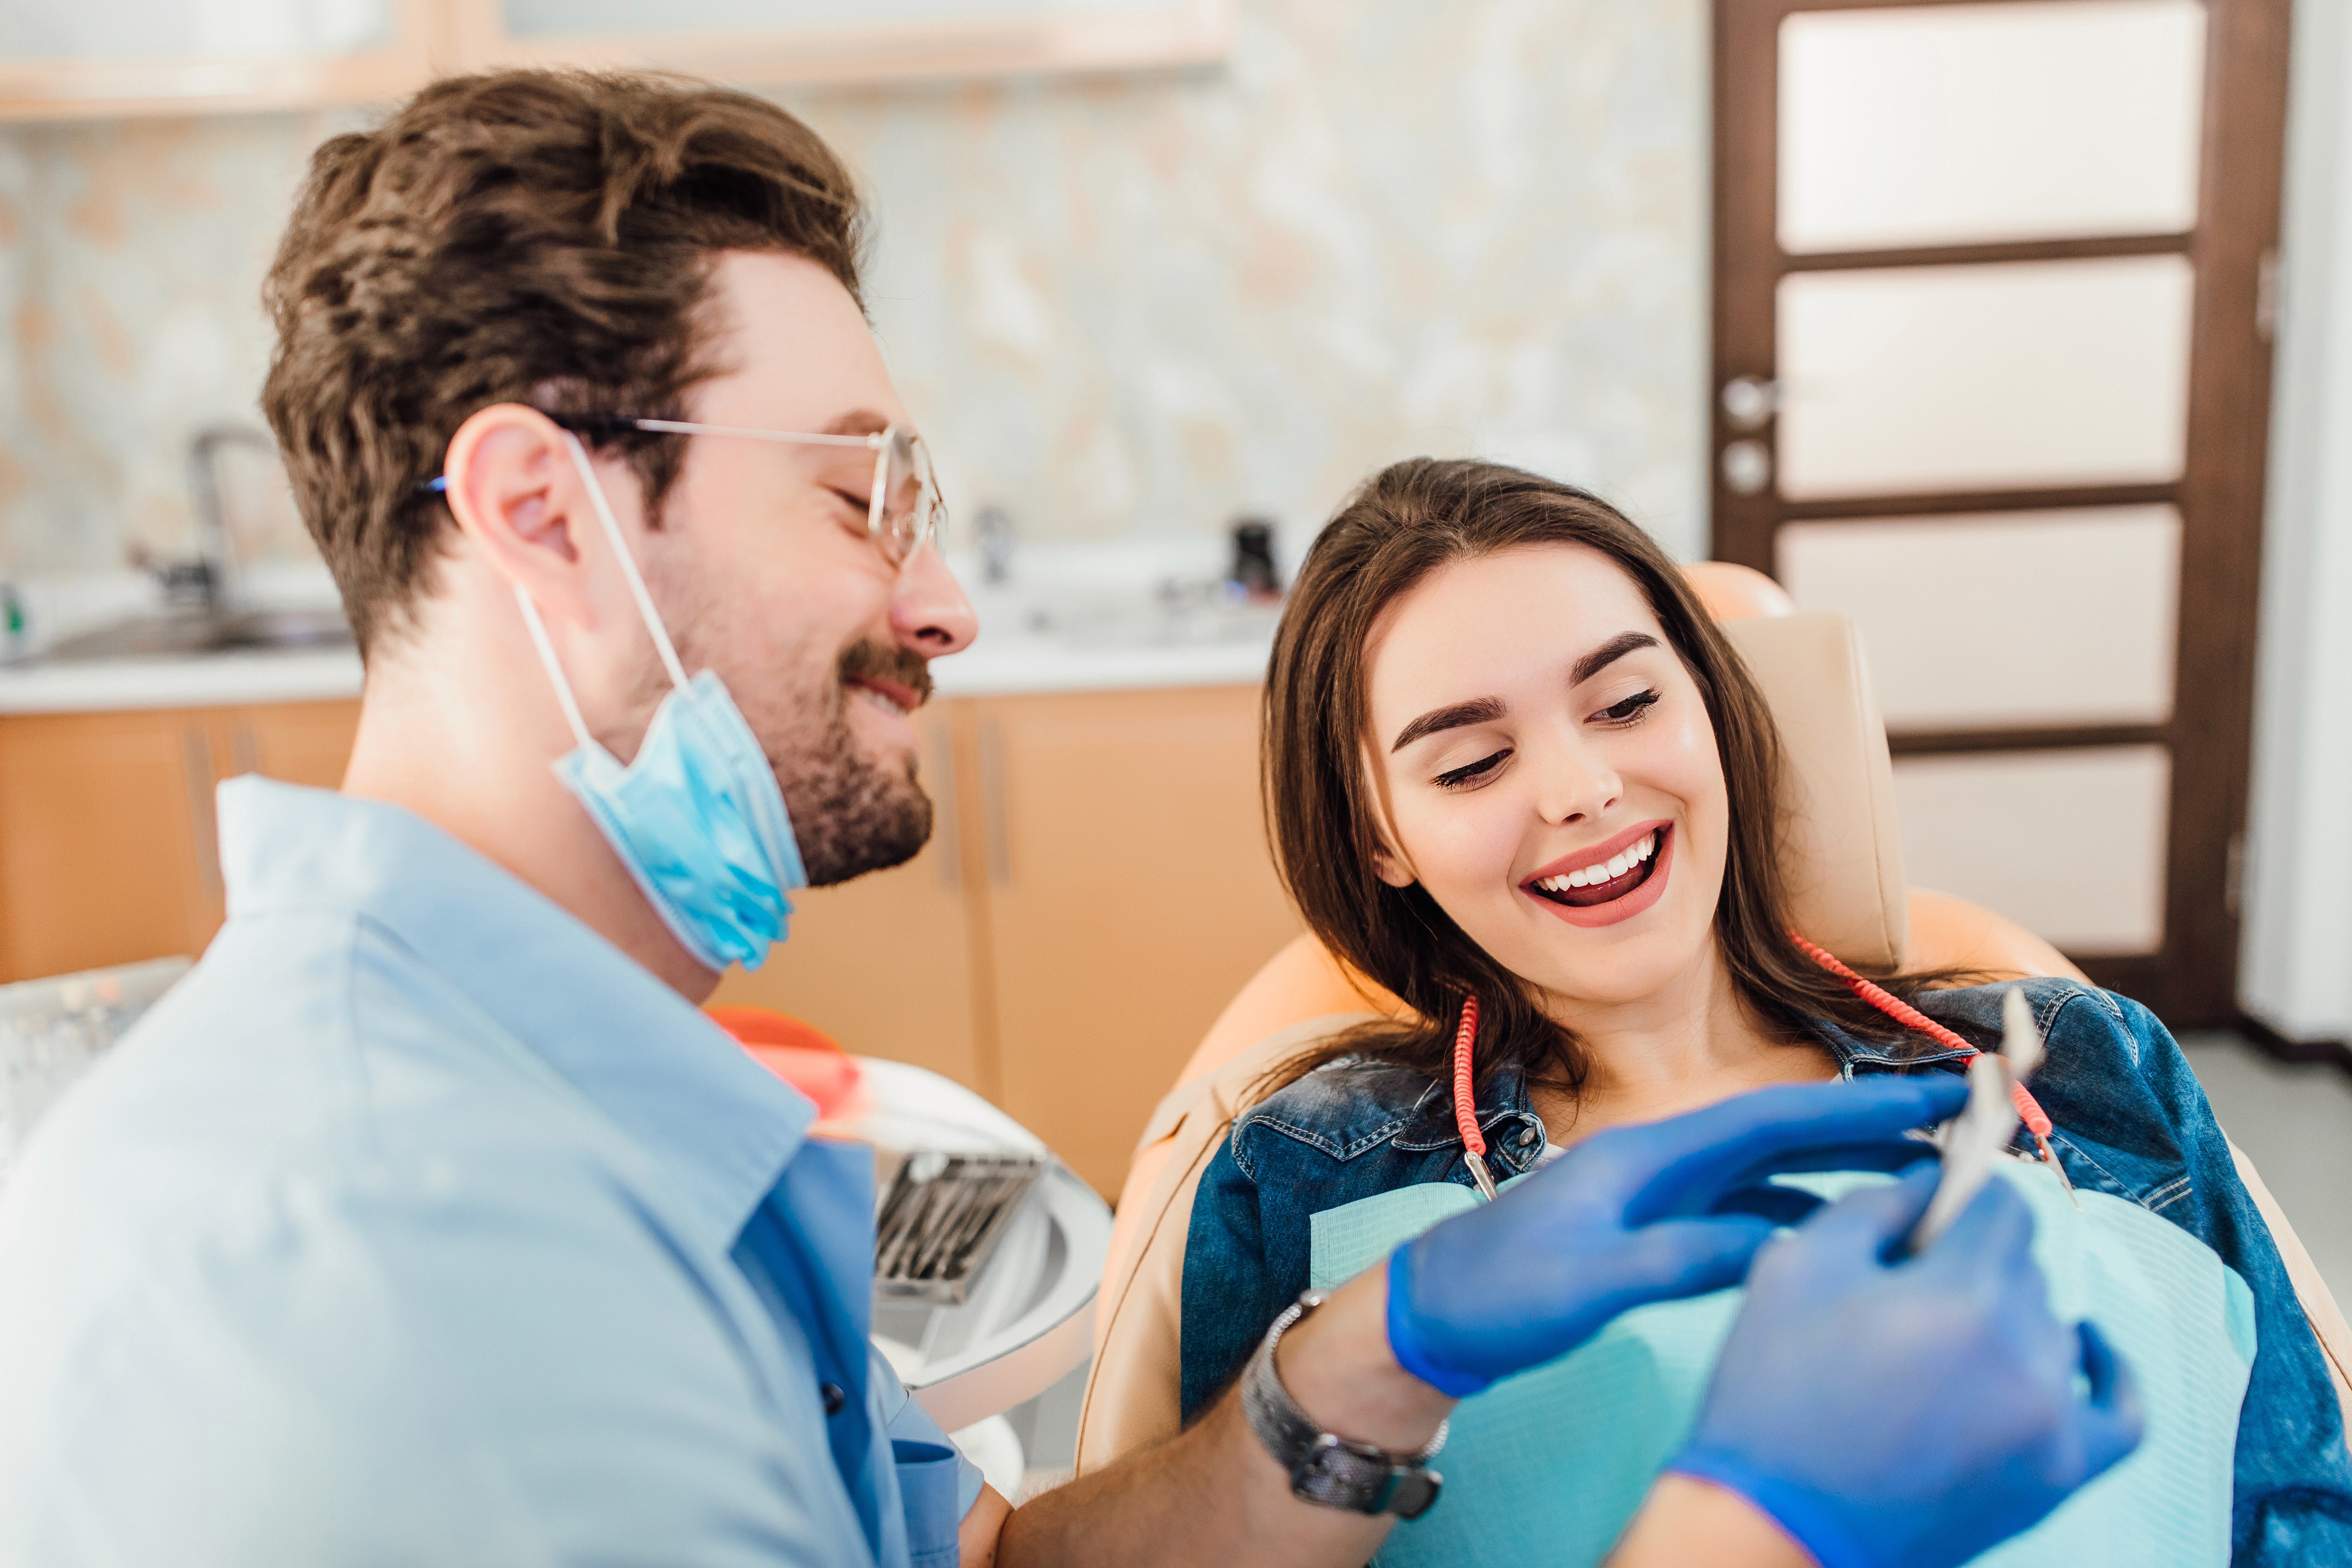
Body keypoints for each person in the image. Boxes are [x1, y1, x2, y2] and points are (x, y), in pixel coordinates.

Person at [0, 72, 2139, 1568]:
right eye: (855, 492)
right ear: (546, 511)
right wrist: (1766, 1522)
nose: (940, 597)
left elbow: (999, 1565)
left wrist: (1375, 1362)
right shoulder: (406, 1272)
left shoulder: (611, 1117)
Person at [1179, 457, 2352, 1563]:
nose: (1584, 789)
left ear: (1710, 706)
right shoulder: (1306, 1174)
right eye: (1472, 764)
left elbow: (2306, 1512)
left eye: (1628, 701)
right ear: (1381, 836)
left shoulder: (2086, 1064)